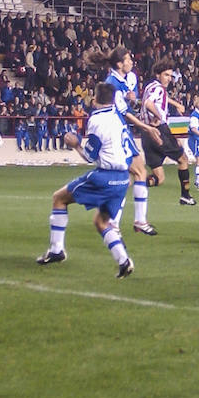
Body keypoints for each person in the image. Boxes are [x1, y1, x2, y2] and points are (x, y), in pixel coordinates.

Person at [36, 82, 137, 278]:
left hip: (104, 177)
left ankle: (57, 250)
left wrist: (75, 144)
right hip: (122, 179)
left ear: (94, 99)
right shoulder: (118, 118)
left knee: (59, 198)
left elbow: (90, 156)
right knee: (102, 222)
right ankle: (124, 261)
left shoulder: (97, 120)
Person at [89, 46, 162, 236]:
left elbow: (128, 106)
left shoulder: (124, 79)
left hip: (121, 130)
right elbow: (125, 114)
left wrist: (132, 100)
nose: (131, 62)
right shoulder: (112, 82)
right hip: (116, 130)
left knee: (133, 175)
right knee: (135, 173)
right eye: (128, 59)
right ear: (120, 64)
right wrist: (147, 128)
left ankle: (126, 221)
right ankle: (123, 222)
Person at [139, 58, 195, 205]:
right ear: (158, 75)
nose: (169, 79)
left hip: (146, 134)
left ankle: (135, 182)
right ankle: (185, 195)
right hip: (158, 131)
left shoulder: (150, 87)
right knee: (183, 159)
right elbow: (148, 103)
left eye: (170, 76)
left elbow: (157, 99)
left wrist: (176, 103)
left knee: (159, 178)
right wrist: (158, 115)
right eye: (166, 75)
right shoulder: (159, 88)